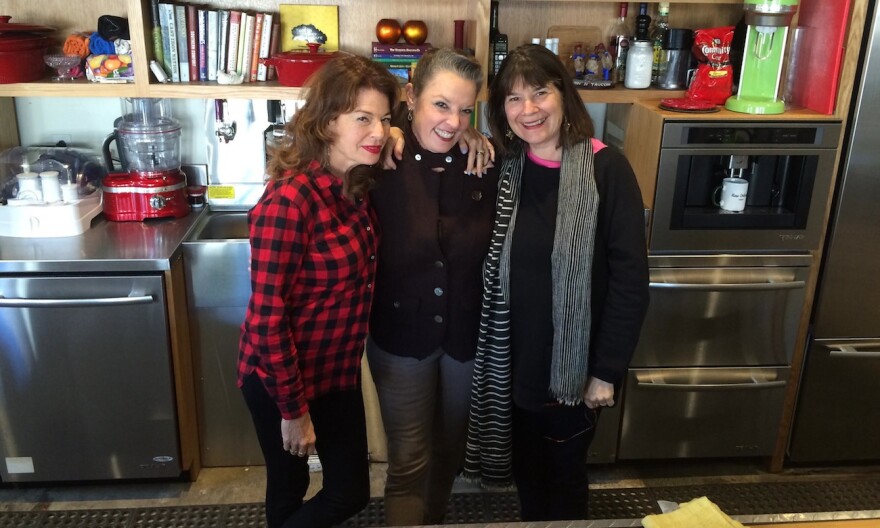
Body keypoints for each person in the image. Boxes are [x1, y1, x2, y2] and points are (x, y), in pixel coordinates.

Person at [463, 43, 650, 521]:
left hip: (575, 368)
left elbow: (630, 279)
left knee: (565, 477)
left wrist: (606, 370)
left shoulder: (607, 169)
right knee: (528, 475)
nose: (529, 110)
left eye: (540, 93)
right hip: (515, 361)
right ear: (501, 109)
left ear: (564, 95)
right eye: (514, 98)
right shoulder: (505, 168)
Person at [237, 54, 399, 528]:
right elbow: (267, 317)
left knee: (349, 492)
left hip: (335, 372)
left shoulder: (356, 182)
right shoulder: (289, 201)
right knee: (289, 488)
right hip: (279, 379)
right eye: (363, 118)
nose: (378, 130)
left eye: (384, 119)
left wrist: (398, 131)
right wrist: (293, 411)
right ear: (328, 122)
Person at [367, 48, 499, 526]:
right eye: (441, 105)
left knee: (448, 454)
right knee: (408, 463)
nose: (454, 121)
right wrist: (389, 128)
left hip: (464, 337)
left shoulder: (484, 160)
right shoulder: (381, 157)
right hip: (401, 338)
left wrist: (476, 134)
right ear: (410, 96)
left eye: (466, 110)